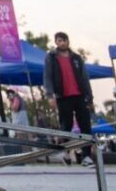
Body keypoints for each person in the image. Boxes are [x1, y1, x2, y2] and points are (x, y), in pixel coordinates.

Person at [42, 31, 95, 167]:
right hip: (63, 96)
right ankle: (65, 152)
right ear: (56, 43)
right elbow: (47, 76)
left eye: (64, 40)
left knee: (85, 125)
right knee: (67, 125)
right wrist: (50, 95)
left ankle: (86, 156)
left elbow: (84, 77)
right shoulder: (51, 57)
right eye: (59, 41)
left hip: (80, 95)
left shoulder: (76, 58)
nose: (62, 43)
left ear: (68, 41)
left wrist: (90, 97)